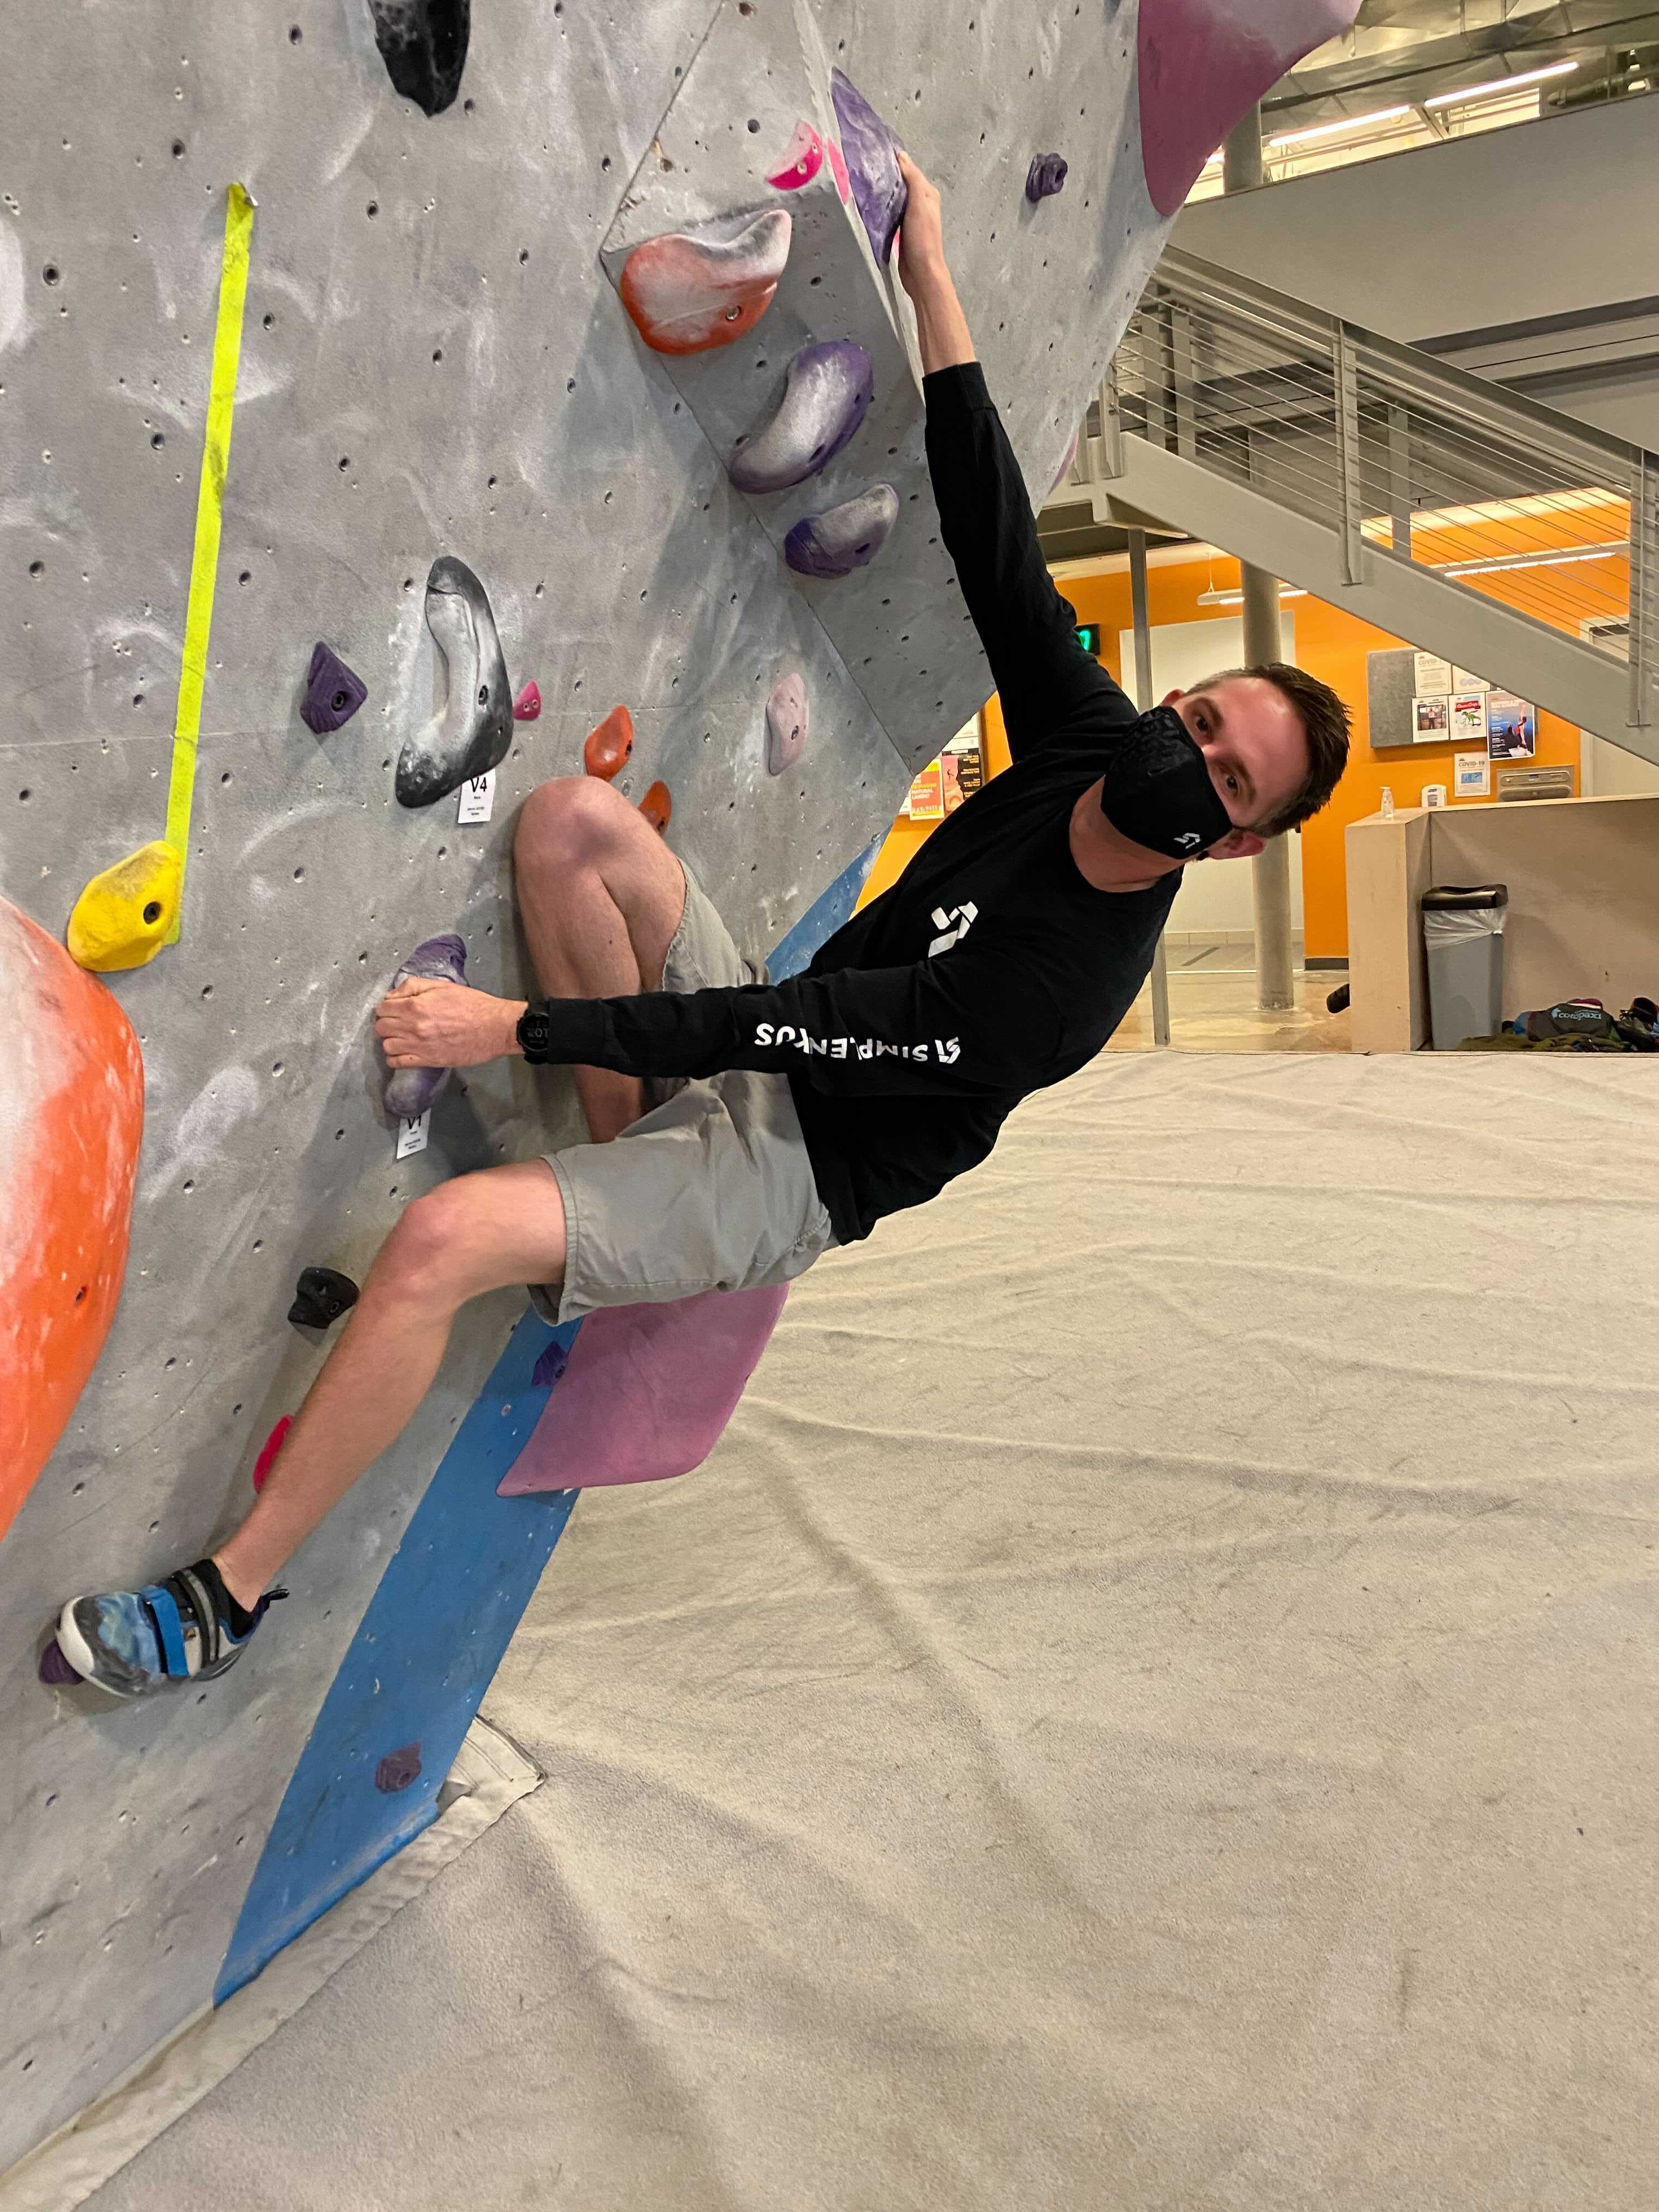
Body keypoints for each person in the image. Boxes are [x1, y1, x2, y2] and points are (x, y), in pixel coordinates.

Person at [50, 150, 1351, 1699]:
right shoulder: (1085, 735)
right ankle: (611, 1171)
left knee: (442, 1238)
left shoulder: (1058, 994)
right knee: (569, 829)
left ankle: (227, 1598)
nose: (1184, 751)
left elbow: (779, 1032)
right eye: (1201, 713)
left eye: (1224, 772)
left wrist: (512, 1028)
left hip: (797, 1155)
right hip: (771, 1032)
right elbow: (992, 518)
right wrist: (932, 267)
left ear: (1245, 837)